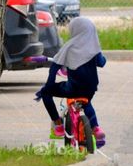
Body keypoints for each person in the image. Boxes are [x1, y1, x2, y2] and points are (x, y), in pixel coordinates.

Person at [35, 16, 107, 145]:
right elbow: (101, 63)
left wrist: (48, 85)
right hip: (90, 88)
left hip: (72, 88)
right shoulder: (94, 49)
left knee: (46, 93)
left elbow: (54, 67)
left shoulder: (69, 48)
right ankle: (96, 128)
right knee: (86, 102)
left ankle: (58, 125)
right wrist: (102, 57)